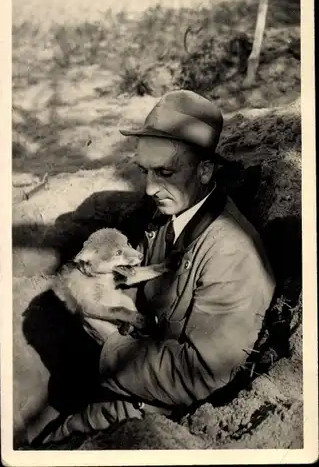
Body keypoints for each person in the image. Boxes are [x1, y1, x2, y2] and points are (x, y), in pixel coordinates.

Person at [40, 90, 276, 444]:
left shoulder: (231, 254)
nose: (150, 188)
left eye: (165, 172)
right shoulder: (170, 213)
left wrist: (109, 345)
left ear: (205, 170)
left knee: (55, 444)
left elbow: (201, 375)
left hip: (155, 411)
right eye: (145, 172)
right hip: (127, 379)